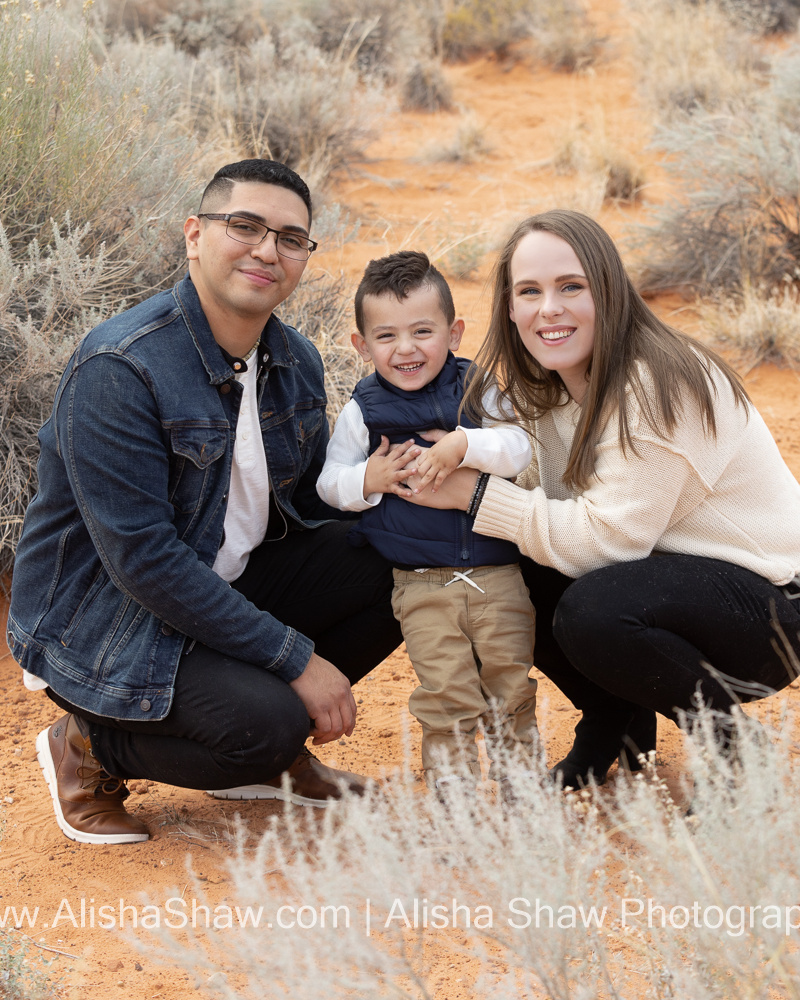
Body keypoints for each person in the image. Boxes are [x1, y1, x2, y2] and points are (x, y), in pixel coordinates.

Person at [7, 159, 402, 845]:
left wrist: (389, 485)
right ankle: (90, 746)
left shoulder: (294, 360)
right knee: (267, 724)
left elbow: (304, 509)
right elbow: (147, 562)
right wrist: (295, 660)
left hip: (216, 589)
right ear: (195, 234)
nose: (266, 250)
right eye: (244, 226)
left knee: (397, 558)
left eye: (290, 238)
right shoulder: (121, 367)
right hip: (107, 624)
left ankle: (267, 752)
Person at [404, 209, 800, 788]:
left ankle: (736, 749)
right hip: (671, 585)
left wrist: (474, 495)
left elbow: (606, 543)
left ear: (608, 290)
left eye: (571, 287)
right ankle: (615, 729)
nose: (549, 309)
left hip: (768, 610)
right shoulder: (550, 389)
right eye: (529, 292)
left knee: (594, 609)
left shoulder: (657, 381)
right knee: (513, 570)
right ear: (510, 309)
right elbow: (547, 515)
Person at [316, 251, 537, 792]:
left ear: (454, 333)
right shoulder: (362, 409)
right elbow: (329, 483)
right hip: (421, 584)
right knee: (446, 693)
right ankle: (456, 802)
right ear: (362, 346)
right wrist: (369, 480)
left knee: (511, 684)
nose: (406, 348)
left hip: (498, 575)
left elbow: (518, 448)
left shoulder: (477, 389)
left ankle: (522, 795)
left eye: (422, 330)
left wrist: (466, 444)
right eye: (386, 336)